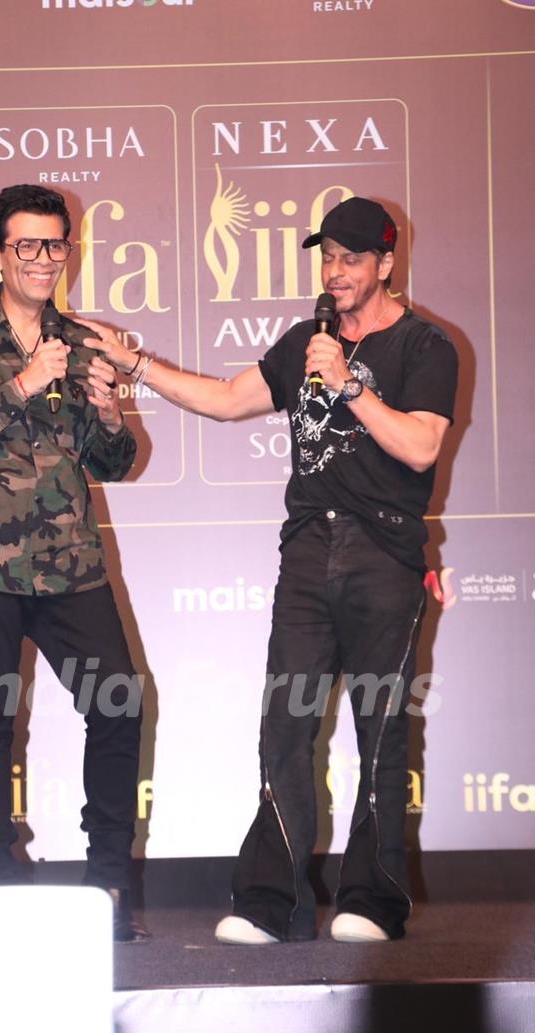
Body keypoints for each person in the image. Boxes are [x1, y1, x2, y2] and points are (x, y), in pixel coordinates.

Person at [79, 196, 458, 944]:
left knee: (379, 730)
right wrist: (135, 365)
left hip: (384, 551)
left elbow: (419, 447)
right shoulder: (304, 341)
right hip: (309, 550)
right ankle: (267, 901)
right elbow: (224, 401)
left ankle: (372, 900)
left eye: (353, 258)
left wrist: (351, 383)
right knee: (284, 727)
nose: (337, 270)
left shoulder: (426, 346)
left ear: (386, 264)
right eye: (328, 257)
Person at [0, 183, 147, 941]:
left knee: (120, 703)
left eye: (55, 244)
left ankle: (108, 880)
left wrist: (111, 412)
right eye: (27, 245)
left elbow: (110, 459)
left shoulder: (81, 341)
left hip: (66, 559)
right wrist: (20, 384)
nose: (44, 258)